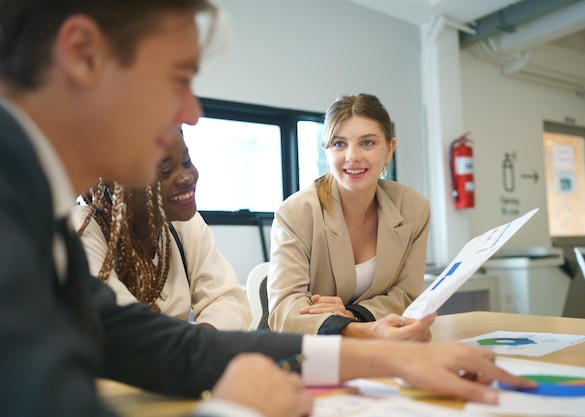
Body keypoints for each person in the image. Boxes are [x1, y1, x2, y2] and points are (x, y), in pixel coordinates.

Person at [0, 2, 535, 417]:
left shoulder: (32, 205)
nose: (191, 112)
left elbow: (168, 346)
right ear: (83, 54)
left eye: (370, 143)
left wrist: (389, 358)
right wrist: (235, 409)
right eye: (178, 77)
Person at [268, 93, 436, 339]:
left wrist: (353, 314)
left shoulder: (413, 208)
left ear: (389, 149)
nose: (352, 156)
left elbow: (407, 297)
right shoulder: (295, 213)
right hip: (312, 351)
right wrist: (353, 328)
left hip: (382, 348)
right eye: (339, 144)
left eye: (367, 143)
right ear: (326, 151)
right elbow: (284, 311)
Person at [71, 128, 252, 330]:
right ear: (118, 182)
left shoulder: (186, 225)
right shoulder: (83, 230)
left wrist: (202, 343)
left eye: (186, 162)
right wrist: (195, 347)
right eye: (165, 172)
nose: (186, 177)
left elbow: (228, 300)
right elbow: (120, 326)